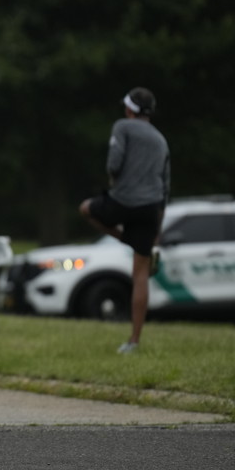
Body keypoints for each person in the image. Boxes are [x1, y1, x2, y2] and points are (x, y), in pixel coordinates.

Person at [79, 87, 170, 354]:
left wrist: (115, 183)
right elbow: (165, 185)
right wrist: (158, 228)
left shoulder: (122, 127)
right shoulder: (161, 140)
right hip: (151, 208)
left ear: (130, 109)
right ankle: (133, 341)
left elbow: (114, 164)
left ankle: (125, 238)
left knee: (86, 209)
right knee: (140, 273)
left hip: (123, 201)